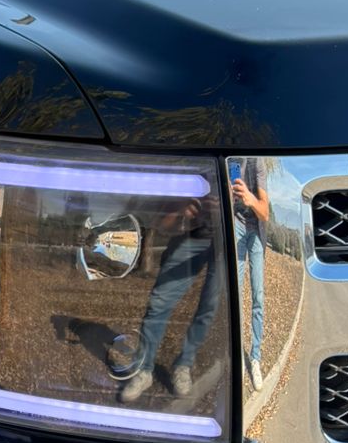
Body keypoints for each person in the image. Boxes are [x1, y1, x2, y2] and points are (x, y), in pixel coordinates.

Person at [105, 199, 222, 402]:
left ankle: (184, 364)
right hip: (192, 234)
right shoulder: (200, 166)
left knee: (209, 306)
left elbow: (259, 208)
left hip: (226, 243)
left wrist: (235, 203)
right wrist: (187, 207)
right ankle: (143, 370)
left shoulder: (251, 166)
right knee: (159, 302)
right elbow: (168, 208)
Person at [230, 158, 269, 391]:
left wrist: (250, 198)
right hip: (235, 223)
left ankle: (255, 358)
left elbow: (265, 213)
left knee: (258, 297)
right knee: (236, 294)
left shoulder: (257, 163)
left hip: (255, 230)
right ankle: (235, 354)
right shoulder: (229, 161)